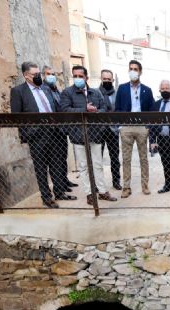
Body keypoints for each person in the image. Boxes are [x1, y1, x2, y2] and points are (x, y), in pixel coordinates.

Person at [10, 61, 72, 208]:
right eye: (34, 74)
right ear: (26, 76)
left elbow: (55, 108)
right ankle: (47, 197)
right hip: (37, 136)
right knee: (41, 168)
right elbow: (16, 116)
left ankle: (60, 192)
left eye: (39, 73)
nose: (38, 76)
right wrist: (28, 134)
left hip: (54, 132)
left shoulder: (46, 88)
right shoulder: (18, 92)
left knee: (56, 164)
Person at [60, 65, 117, 205]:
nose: (78, 79)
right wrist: (85, 109)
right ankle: (89, 194)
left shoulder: (95, 93)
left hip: (95, 134)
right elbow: (65, 110)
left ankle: (102, 191)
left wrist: (96, 111)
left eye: (80, 76)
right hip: (78, 135)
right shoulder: (67, 93)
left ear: (86, 77)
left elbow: (104, 109)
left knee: (97, 164)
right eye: (75, 76)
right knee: (84, 166)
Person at [114, 60, 156, 198]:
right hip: (126, 127)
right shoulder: (122, 88)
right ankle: (126, 187)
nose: (133, 71)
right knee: (126, 159)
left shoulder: (147, 90)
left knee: (143, 158)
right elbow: (118, 108)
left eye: (136, 69)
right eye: (131, 68)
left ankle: (145, 185)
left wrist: (148, 127)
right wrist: (120, 126)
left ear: (140, 72)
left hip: (141, 127)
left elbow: (152, 110)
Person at [42, 65, 78, 191]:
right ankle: (60, 186)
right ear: (43, 75)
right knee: (55, 160)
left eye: (53, 74)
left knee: (63, 156)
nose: (51, 76)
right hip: (52, 130)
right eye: (48, 74)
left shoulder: (56, 89)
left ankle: (64, 180)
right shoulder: (43, 90)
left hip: (61, 129)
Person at [97, 69, 121, 190]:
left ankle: (116, 181)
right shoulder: (95, 93)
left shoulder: (116, 94)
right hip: (99, 131)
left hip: (113, 131)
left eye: (109, 79)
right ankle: (98, 184)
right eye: (104, 79)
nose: (106, 81)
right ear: (101, 79)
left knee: (115, 158)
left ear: (112, 80)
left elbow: (119, 111)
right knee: (97, 159)